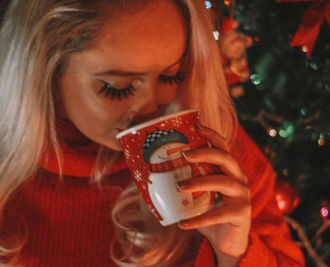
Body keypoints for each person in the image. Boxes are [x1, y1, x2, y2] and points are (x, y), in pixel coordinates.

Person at [0, 0, 304, 266]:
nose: (151, 107)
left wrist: (236, 255)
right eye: (117, 88)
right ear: (45, 72)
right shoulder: (10, 175)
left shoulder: (218, 155)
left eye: (171, 75)